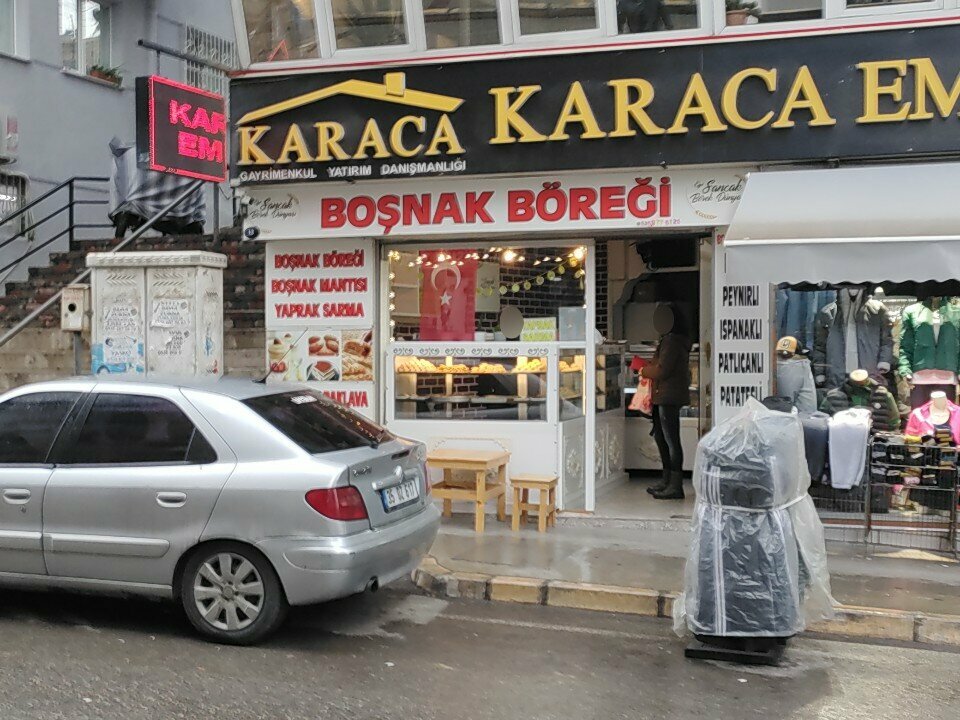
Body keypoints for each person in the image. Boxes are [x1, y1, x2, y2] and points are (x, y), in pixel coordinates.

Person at [642, 303, 691, 500]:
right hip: (666, 395)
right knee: (664, 439)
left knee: (670, 441)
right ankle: (667, 480)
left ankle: (674, 485)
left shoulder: (672, 341)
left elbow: (663, 370)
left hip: (668, 396)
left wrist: (644, 370)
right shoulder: (674, 340)